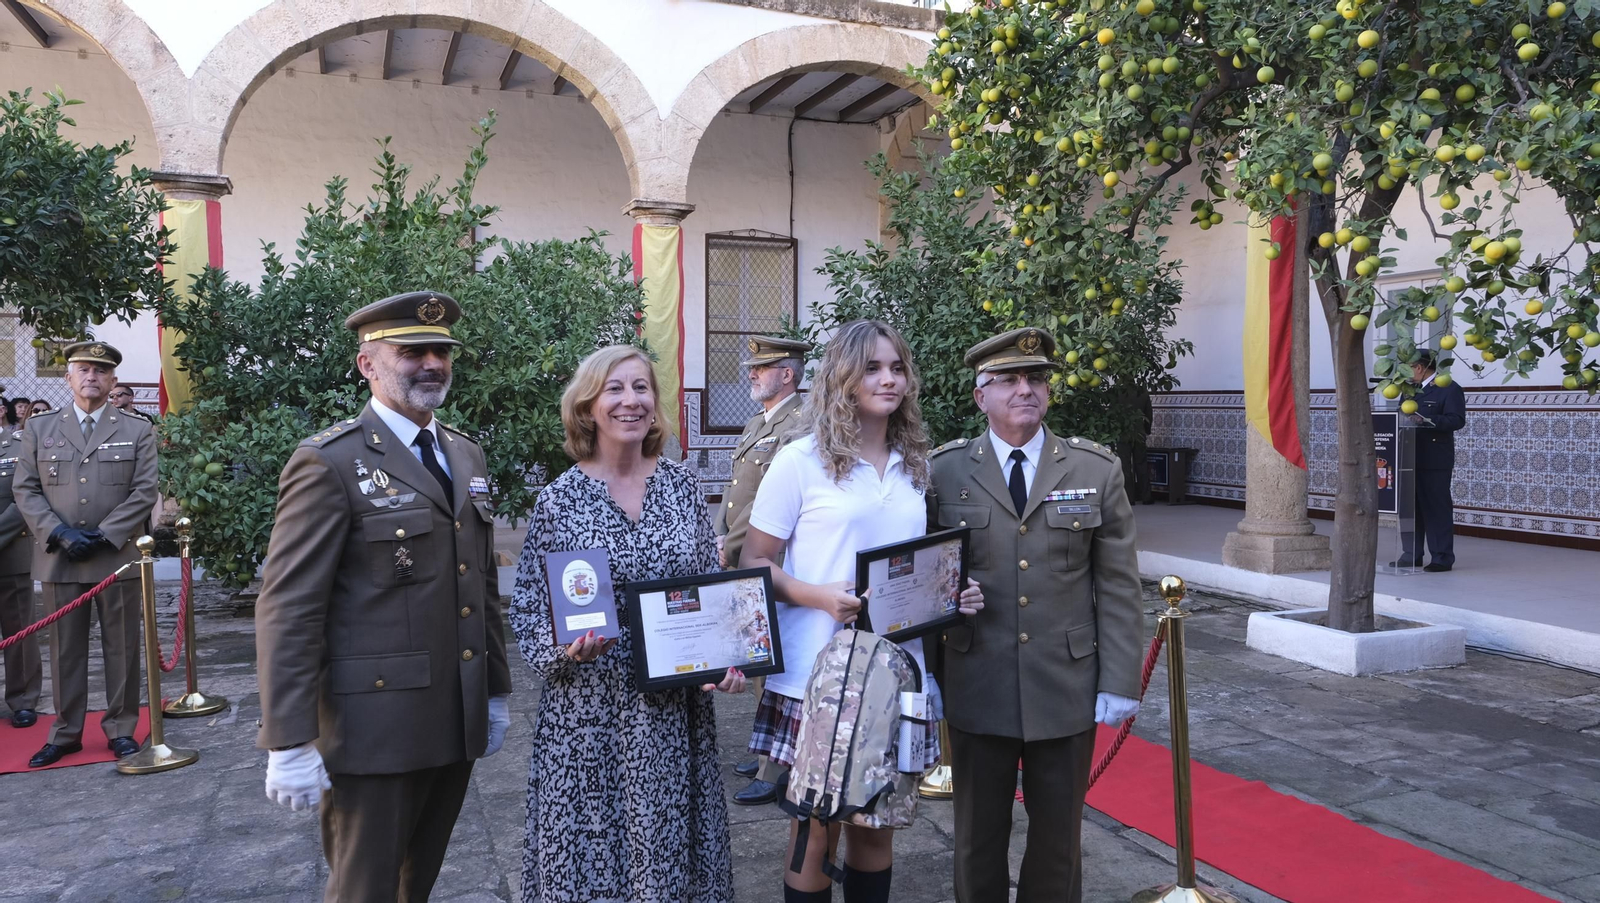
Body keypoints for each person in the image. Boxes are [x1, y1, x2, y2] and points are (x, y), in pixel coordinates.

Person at [254, 291, 511, 901]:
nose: (431, 363)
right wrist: (287, 738)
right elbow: (289, 607)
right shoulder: (329, 462)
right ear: (368, 363)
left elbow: (482, 582)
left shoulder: (463, 452)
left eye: (441, 351)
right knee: (364, 887)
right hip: (373, 727)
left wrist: (494, 690)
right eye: (412, 351)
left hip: (454, 711)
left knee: (415, 881)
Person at [741, 319, 985, 903]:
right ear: (843, 378)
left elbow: (914, 565)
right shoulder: (800, 461)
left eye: (897, 367)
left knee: (877, 828)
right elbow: (753, 565)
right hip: (817, 675)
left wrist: (956, 591)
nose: (889, 379)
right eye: (873, 368)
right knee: (814, 829)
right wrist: (819, 595)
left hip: (899, 671)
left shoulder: (914, 463)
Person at [509, 344, 743, 903]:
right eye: (614, 389)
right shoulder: (559, 500)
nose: (630, 401)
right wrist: (563, 651)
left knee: (668, 852)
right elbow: (527, 606)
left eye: (641, 388)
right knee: (592, 857)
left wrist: (728, 657)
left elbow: (709, 586)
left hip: (672, 712)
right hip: (589, 716)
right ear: (588, 406)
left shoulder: (682, 486)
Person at [927, 327, 1145, 903]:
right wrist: (926, 671)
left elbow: (1118, 583)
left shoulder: (1094, 470)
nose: (1025, 389)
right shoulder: (943, 473)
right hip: (978, 677)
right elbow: (921, 575)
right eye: (1008, 380)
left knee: (1058, 839)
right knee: (977, 836)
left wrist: (1120, 679)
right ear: (981, 396)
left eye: (1036, 378)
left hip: (1065, 681)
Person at [13, 342, 158, 767]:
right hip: (61, 556)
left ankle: (121, 728)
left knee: (122, 648)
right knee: (65, 650)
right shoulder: (39, 429)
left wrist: (105, 533)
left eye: (101, 370)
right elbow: (26, 489)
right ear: (68, 378)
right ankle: (66, 732)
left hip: (117, 556)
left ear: (113, 380)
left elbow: (144, 489)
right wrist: (57, 531)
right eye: (83, 369)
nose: (91, 376)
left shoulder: (136, 429)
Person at [716, 333, 810, 806]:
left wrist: (731, 550)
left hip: (773, 560)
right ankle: (765, 744)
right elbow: (737, 493)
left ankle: (778, 768)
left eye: (762, 368)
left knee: (775, 665)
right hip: (743, 553)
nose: (751, 374)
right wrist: (718, 536)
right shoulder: (761, 421)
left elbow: (768, 507)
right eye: (753, 368)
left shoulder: (803, 423)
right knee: (757, 660)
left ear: (788, 374)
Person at [1396, 348, 1467, 572]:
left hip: (1435, 459)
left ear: (1419, 368)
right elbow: (1400, 414)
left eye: (1408, 367)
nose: (1405, 372)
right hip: (1408, 457)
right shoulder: (1408, 389)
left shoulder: (1449, 388)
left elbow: (1456, 420)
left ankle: (1442, 557)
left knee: (1436, 508)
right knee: (1409, 508)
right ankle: (1412, 554)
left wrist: (1426, 419)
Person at [0, 421, 40, 729]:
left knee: (18, 633)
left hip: (10, 552)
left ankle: (23, 700)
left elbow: (25, 497)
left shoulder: (18, 445)